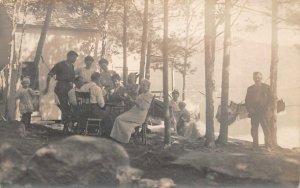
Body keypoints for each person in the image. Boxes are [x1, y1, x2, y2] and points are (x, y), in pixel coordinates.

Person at [110, 79, 153, 143]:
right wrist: (130, 99)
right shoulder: (141, 95)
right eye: (141, 85)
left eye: (144, 85)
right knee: (119, 119)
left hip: (140, 114)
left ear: (148, 87)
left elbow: (143, 107)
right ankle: (121, 137)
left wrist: (134, 102)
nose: (142, 87)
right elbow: (136, 102)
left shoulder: (149, 95)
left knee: (119, 119)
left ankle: (125, 136)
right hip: (135, 112)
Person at [44, 50, 78, 131]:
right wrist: (46, 87)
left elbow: (73, 78)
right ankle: (65, 126)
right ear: (69, 56)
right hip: (61, 87)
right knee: (64, 106)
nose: (75, 60)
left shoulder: (72, 66)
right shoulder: (60, 65)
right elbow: (49, 75)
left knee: (72, 106)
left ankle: (68, 125)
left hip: (70, 88)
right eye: (74, 57)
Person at [80, 72, 113, 136]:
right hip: (93, 112)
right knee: (109, 116)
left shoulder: (83, 87)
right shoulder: (96, 88)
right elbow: (101, 104)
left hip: (84, 111)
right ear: (98, 79)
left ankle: (94, 129)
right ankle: (106, 135)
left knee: (105, 113)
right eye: (100, 79)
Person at [245, 72, 272, 149]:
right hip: (254, 111)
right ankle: (255, 145)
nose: (257, 79)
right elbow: (247, 100)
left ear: (261, 78)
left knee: (266, 129)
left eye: (259, 78)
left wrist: (268, 109)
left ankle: (268, 146)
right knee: (254, 129)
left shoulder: (266, 87)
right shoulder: (250, 88)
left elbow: (271, 99)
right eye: (255, 77)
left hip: (264, 111)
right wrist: (249, 108)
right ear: (253, 78)